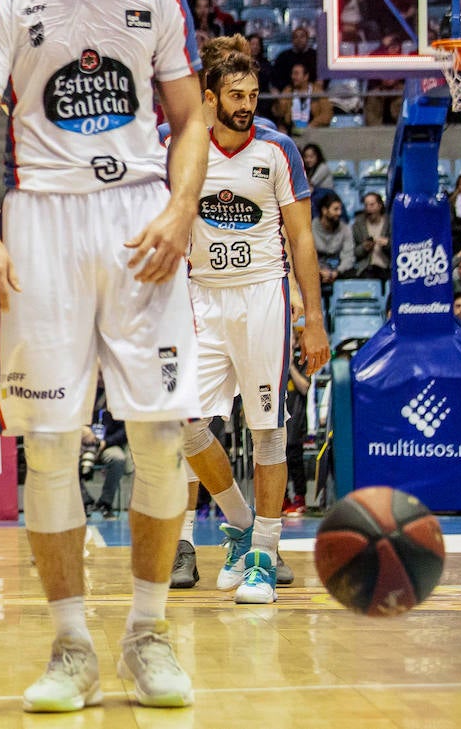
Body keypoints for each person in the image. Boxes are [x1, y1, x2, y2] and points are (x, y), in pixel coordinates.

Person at [0, 0, 207, 712]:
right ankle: (71, 646)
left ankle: (148, 631)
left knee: (162, 435)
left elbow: (192, 119)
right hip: (45, 222)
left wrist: (181, 209)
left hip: (141, 217)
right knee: (52, 447)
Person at [165, 38, 329, 604]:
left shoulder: (278, 150)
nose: (247, 104)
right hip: (200, 295)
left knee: (267, 429)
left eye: (253, 94)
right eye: (236, 95)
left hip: (263, 295)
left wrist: (315, 321)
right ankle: (238, 523)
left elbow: (302, 238)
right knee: (185, 424)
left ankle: (262, 553)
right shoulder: (180, 145)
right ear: (210, 97)